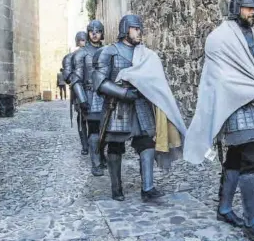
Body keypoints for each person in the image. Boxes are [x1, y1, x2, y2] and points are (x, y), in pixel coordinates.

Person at [183, 0, 254, 241]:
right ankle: (252, 222)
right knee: (252, 159)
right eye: (249, 8)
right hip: (234, 107)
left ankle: (225, 208)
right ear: (236, 8)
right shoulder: (219, 38)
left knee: (236, 158)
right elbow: (221, 78)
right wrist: (251, 92)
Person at [92, 14, 186, 202]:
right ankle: (116, 188)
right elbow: (100, 82)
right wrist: (125, 93)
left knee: (147, 144)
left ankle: (148, 188)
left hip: (141, 104)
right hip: (118, 107)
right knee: (116, 147)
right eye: (135, 29)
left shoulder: (145, 54)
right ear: (125, 30)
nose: (139, 32)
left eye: (139, 29)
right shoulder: (109, 52)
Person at [71, 21, 106, 176]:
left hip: (107, 95)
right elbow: (76, 79)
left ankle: (102, 156)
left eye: (98, 31)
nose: (94, 33)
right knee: (94, 131)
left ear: (101, 33)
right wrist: (82, 98)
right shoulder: (81, 53)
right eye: (91, 31)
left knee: (107, 131)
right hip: (90, 95)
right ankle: (96, 164)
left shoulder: (108, 51)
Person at [62, 31, 88, 155]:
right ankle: (84, 145)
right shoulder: (70, 57)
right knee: (82, 118)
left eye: (85, 40)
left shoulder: (94, 54)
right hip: (78, 92)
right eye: (82, 40)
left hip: (93, 91)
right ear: (78, 41)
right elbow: (68, 76)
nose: (84, 42)